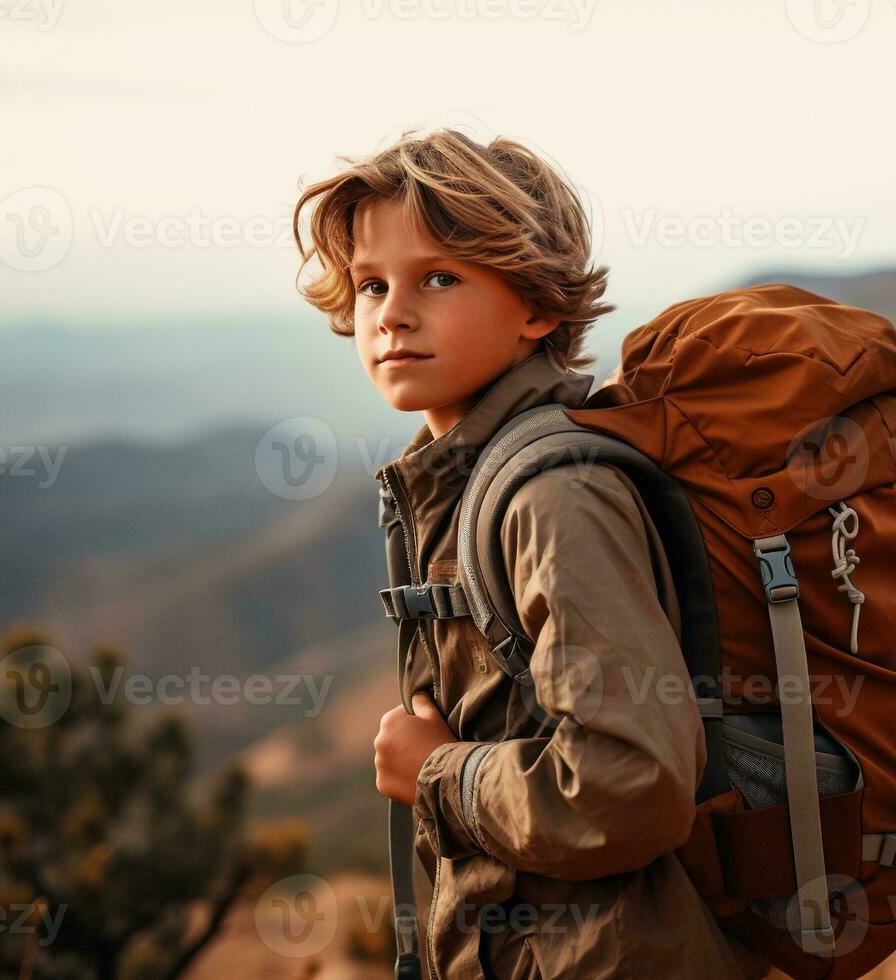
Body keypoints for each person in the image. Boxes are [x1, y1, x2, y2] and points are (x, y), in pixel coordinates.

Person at [292, 128, 768, 979]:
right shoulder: (474, 476)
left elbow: (633, 782)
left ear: (538, 307)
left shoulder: (555, 494)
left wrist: (438, 775)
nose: (392, 311)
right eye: (371, 284)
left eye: (439, 277)